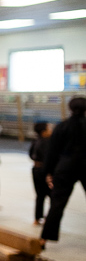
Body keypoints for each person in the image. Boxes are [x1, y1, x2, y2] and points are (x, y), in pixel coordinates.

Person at [40, 97, 86, 249]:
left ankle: (44, 239)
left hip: (65, 167)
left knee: (57, 203)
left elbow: (52, 152)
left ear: (70, 108)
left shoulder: (62, 127)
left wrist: (48, 172)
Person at [29, 122, 52, 225]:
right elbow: (48, 159)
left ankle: (37, 218)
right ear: (43, 132)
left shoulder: (35, 141)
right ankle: (50, 217)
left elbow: (30, 154)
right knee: (52, 194)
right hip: (44, 171)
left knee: (40, 195)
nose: (51, 130)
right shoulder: (46, 142)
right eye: (49, 128)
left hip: (35, 169)